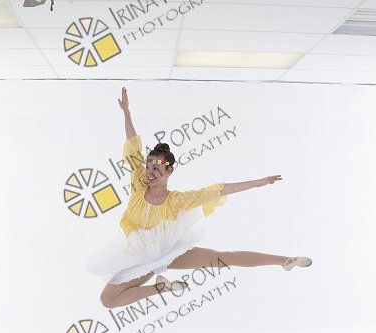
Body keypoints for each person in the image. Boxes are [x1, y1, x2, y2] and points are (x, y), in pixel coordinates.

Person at [87, 87, 312, 309]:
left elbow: (216, 191)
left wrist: (255, 183)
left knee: (224, 258)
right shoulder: (138, 185)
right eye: (149, 166)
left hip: (169, 252)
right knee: (108, 300)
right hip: (139, 257)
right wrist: (126, 112)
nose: (150, 172)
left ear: (169, 172)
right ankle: (161, 288)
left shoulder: (176, 200)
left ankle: (286, 260)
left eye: (157, 168)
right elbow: (133, 147)